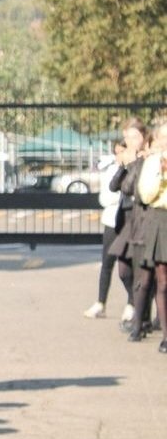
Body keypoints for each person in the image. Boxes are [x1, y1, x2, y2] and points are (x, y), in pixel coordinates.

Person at [109, 119, 150, 334]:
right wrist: (122, 166)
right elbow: (115, 186)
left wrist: (133, 163)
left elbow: (133, 188)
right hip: (125, 219)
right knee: (124, 271)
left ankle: (140, 318)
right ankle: (136, 307)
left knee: (141, 272)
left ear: (144, 138)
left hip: (141, 219)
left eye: (135, 137)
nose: (130, 142)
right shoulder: (128, 162)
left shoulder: (145, 161)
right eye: (127, 138)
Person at [84, 142, 126, 319]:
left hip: (128, 221)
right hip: (111, 220)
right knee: (107, 263)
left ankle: (132, 304)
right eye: (117, 152)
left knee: (127, 268)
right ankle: (101, 302)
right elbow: (105, 197)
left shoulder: (134, 168)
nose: (120, 155)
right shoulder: (111, 170)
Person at [137, 121, 167, 352]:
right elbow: (146, 195)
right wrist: (160, 173)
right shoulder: (152, 164)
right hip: (161, 219)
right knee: (163, 281)